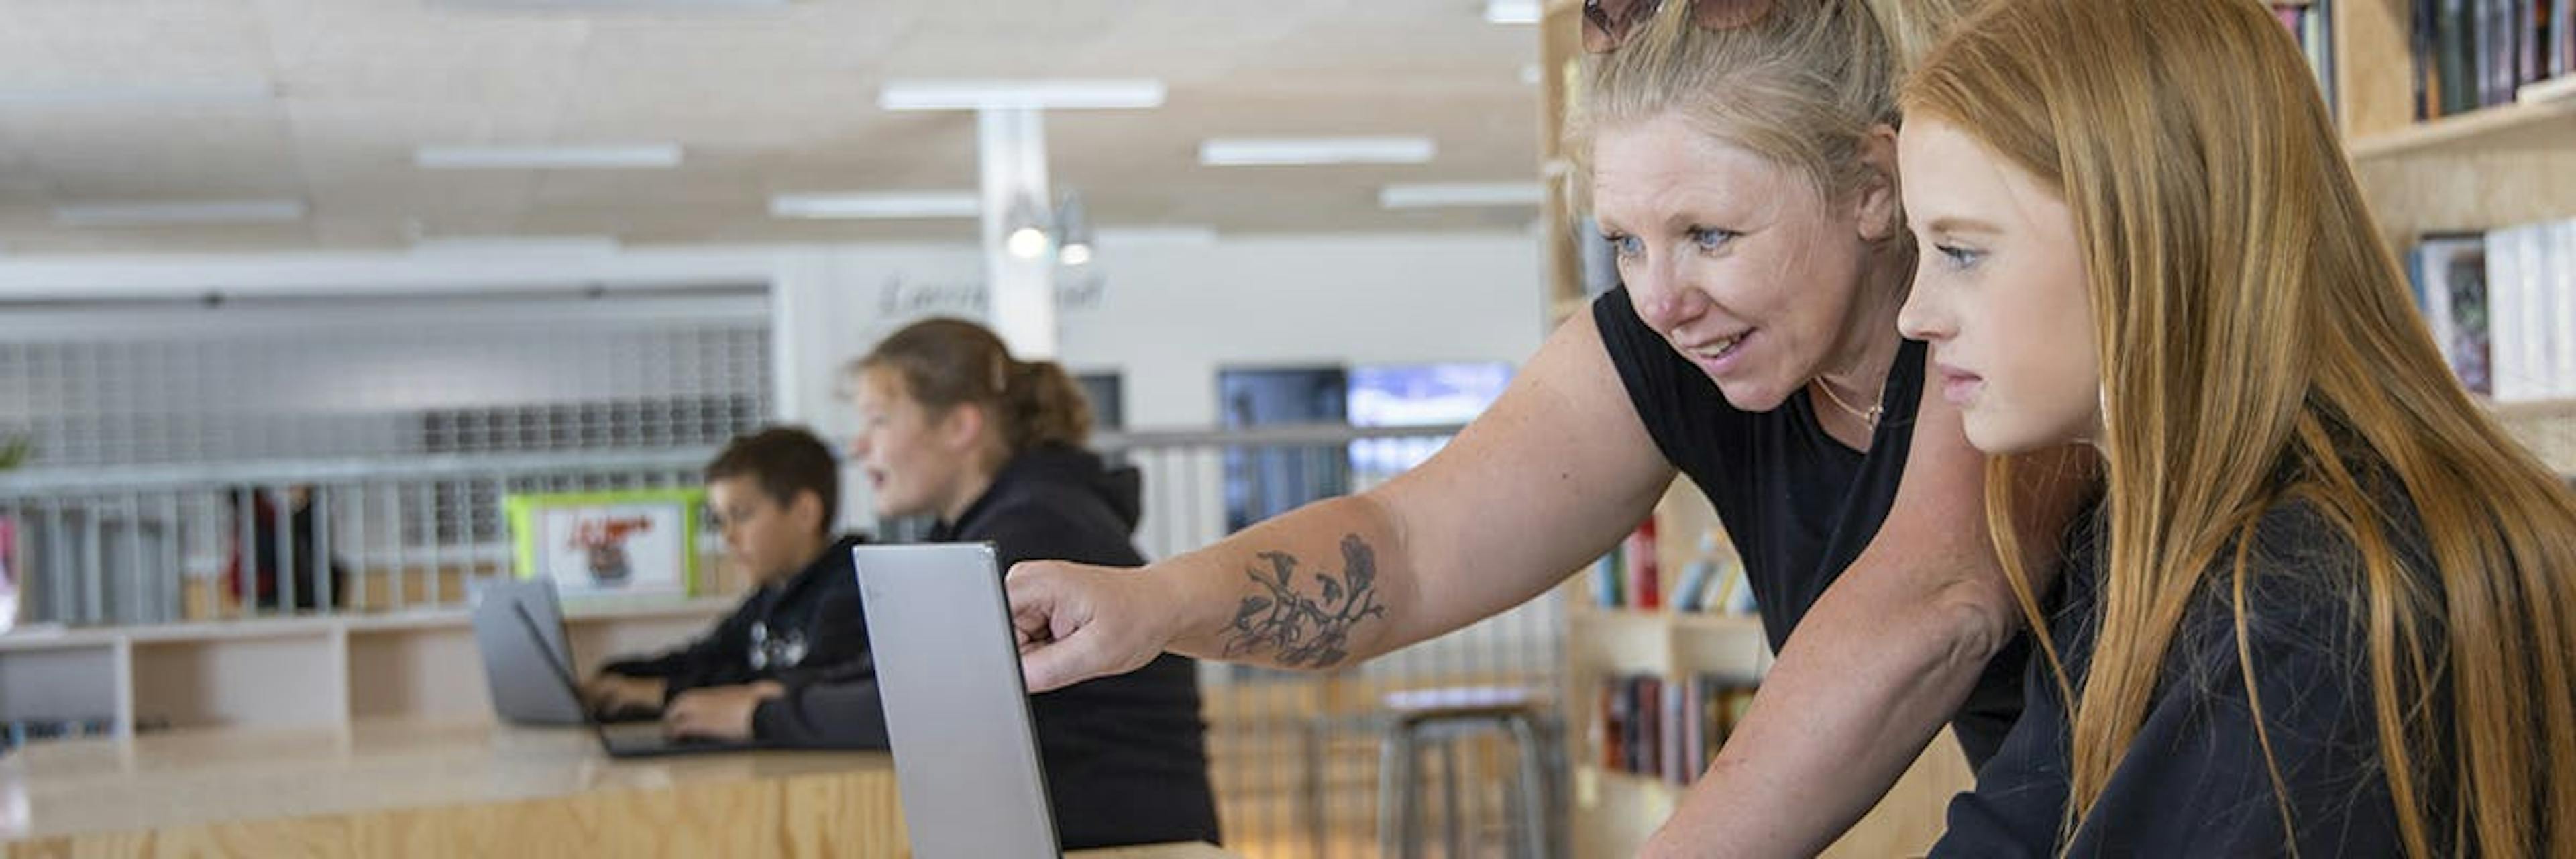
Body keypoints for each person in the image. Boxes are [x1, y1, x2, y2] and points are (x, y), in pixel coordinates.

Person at [1005, 1, 2094, 854]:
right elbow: (1411, 547)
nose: (1660, 298)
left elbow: (1933, 606)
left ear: (1870, 187)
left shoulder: (1994, 327)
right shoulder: (1672, 344)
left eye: (1710, 233)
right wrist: (1151, 604)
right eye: (1624, 240)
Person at [1894, 0, 2576, 854]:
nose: (1914, 316)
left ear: (2150, 232)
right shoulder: (2150, 539)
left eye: (1961, 252)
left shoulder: (2307, 598)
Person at [812, 317, 1221, 850]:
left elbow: (922, 708)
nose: (860, 446)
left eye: (880, 420)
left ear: (960, 425)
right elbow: (895, 674)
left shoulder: (1033, 532)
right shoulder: (995, 524)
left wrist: (762, 713)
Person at [578, 426, 883, 748]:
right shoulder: (771, 593)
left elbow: (808, 687)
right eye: (721, 520)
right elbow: (705, 657)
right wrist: (619, 677)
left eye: (741, 516)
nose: (728, 537)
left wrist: (662, 693)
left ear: (805, 512)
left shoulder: (855, 587)